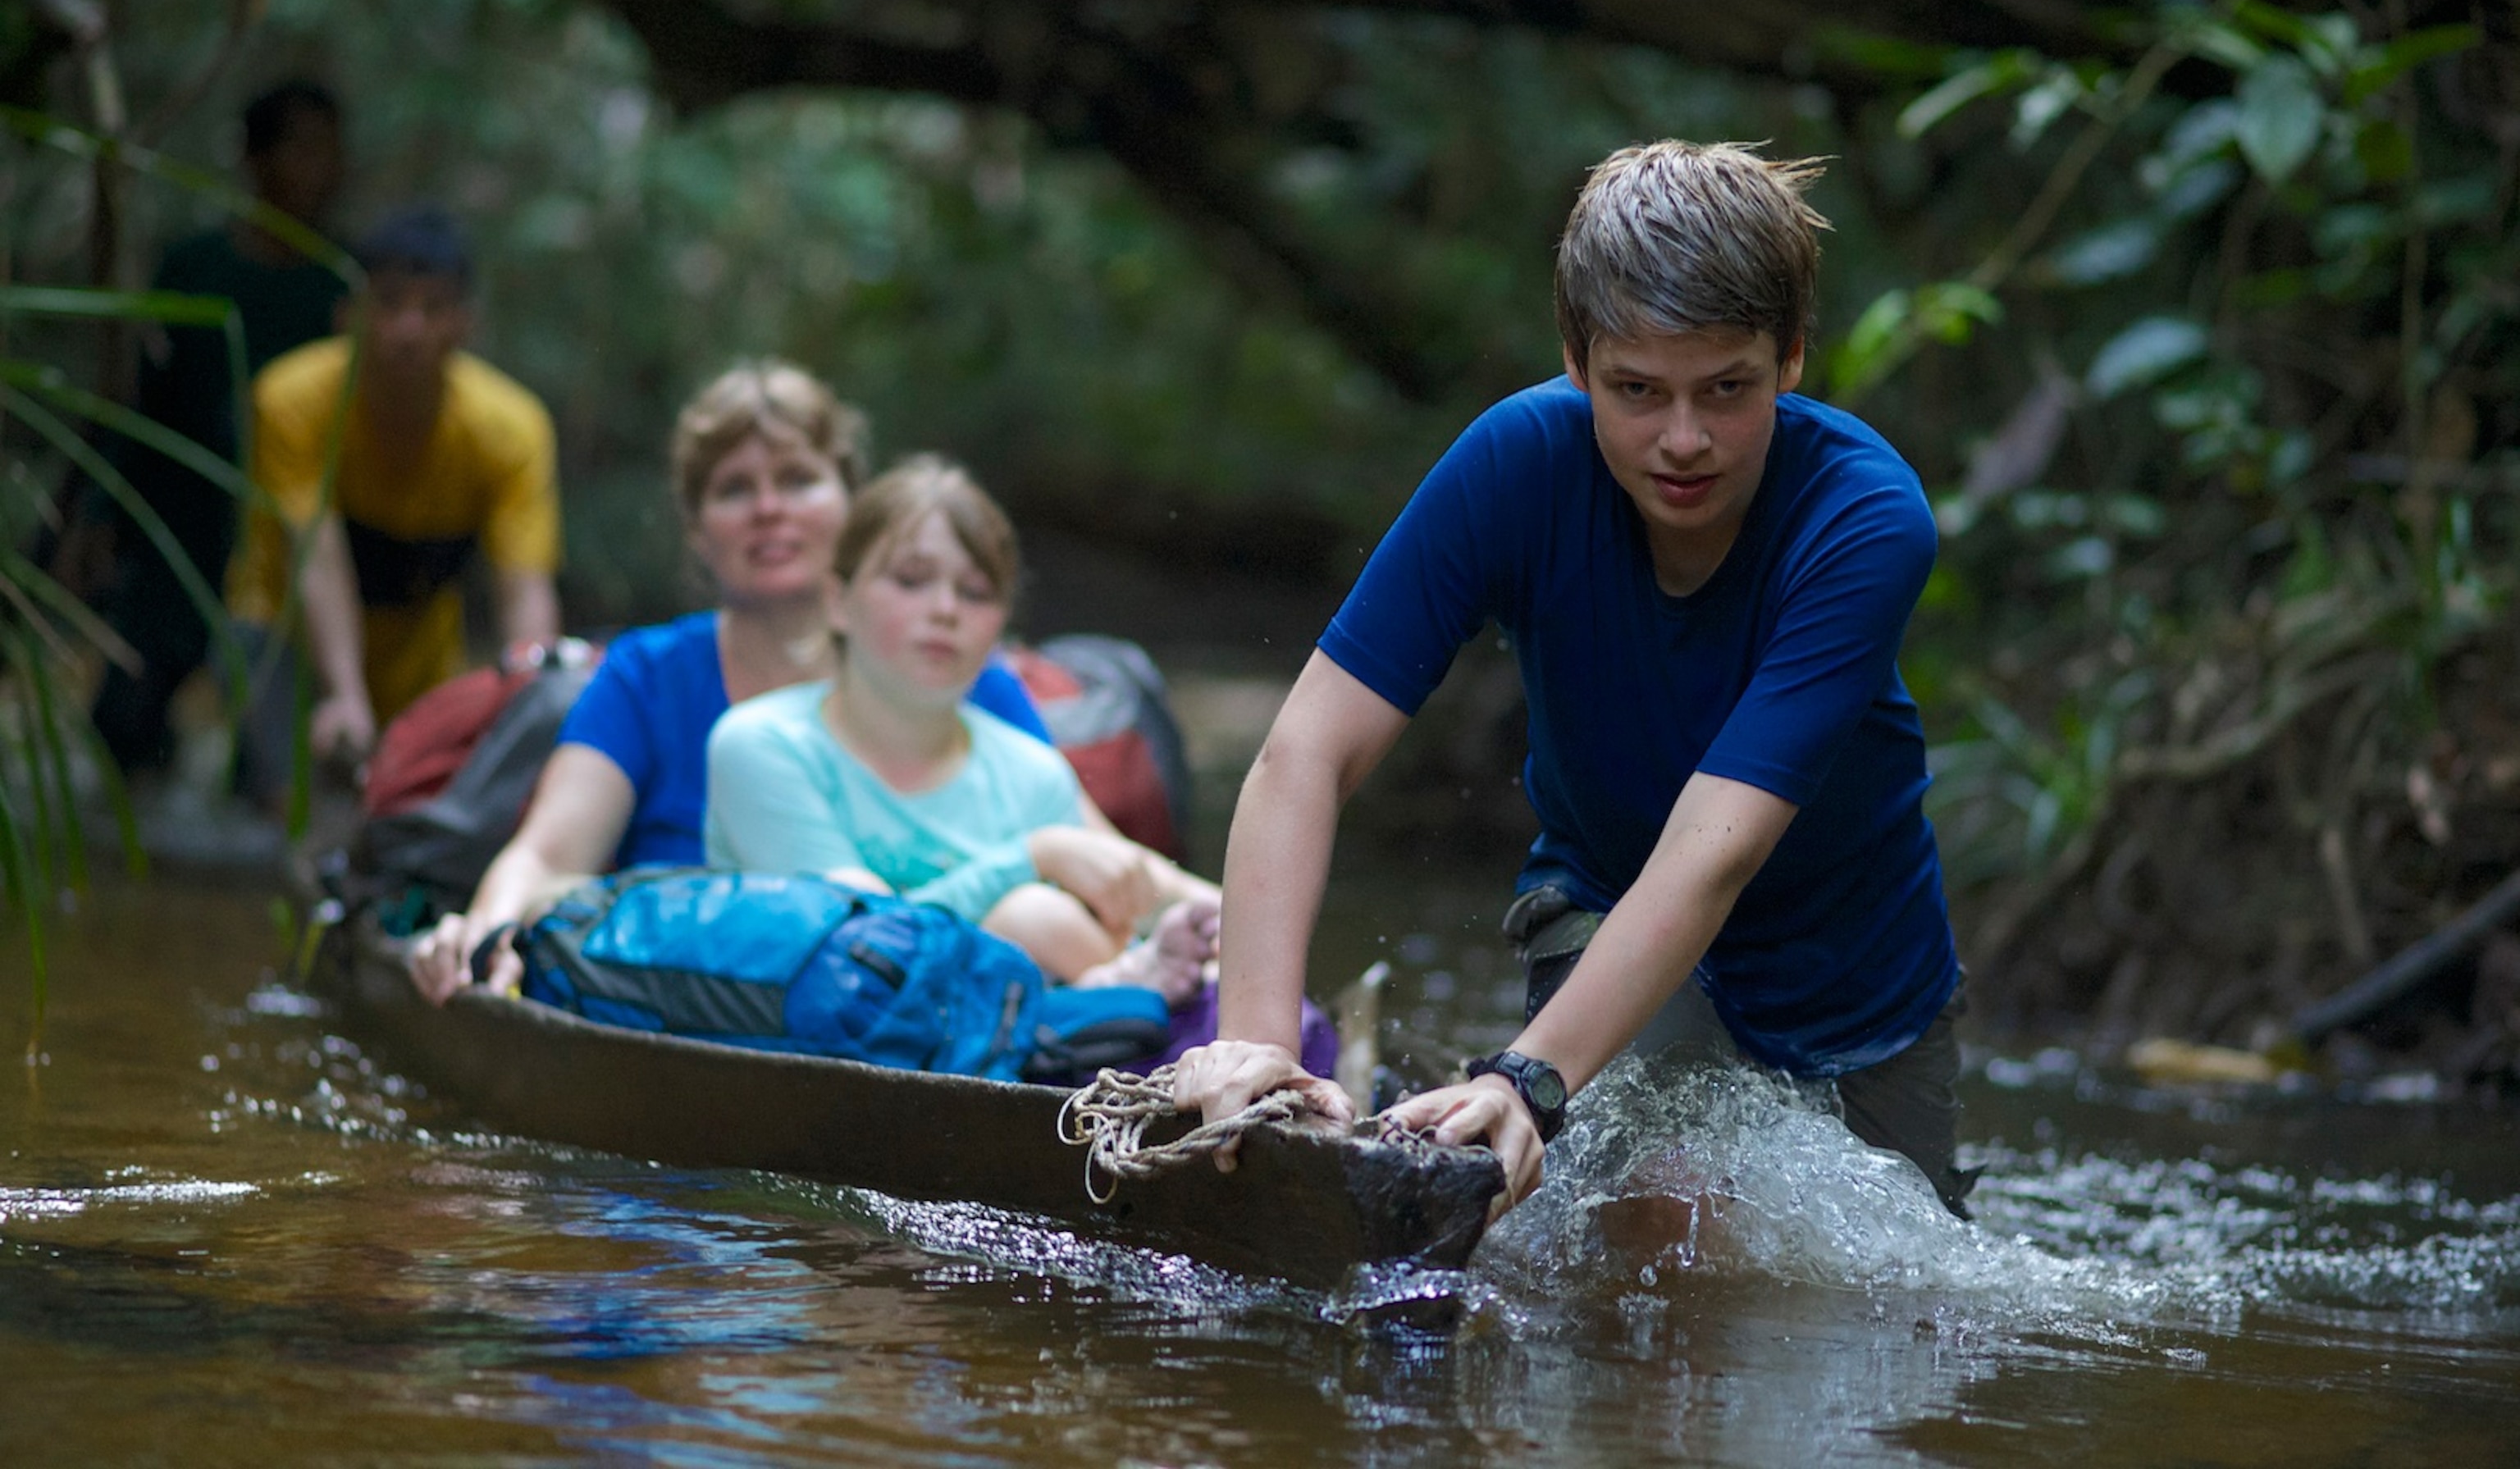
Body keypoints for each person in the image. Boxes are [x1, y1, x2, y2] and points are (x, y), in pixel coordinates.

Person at [1173, 140, 1970, 1222]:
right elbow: (1307, 750)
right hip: (1603, 908)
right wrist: (1255, 1048)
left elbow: (1712, 855)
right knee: (1656, 1218)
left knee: (1879, 1308)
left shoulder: (1864, 520)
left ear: (1790, 360)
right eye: (1636, 392)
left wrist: (1526, 1078)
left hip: (1866, 991)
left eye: (1725, 391)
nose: (1682, 440)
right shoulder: (1516, 466)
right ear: (1575, 360)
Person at [407, 364, 1056, 1004]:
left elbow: (1083, 849)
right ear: (697, 531)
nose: (770, 510)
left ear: (853, 506)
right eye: (735, 490)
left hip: (947, 997)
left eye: (799, 480)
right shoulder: (647, 677)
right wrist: (487, 930)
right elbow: (548, 856)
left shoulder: (953, 671)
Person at [703, 455, 1218, 1003]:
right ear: (837, 601)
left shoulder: (1031, 774)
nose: (945, 609)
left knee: (1051, 921)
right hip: (816, 1049)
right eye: (911, 580)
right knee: (1034, 916)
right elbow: (865, 940)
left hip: (1011, 1053)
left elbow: (1142, 889)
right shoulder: (760, 746)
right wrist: (1034, 857)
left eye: (974, 592)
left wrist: (1229, 926)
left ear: (1000, 624)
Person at [226, 204, 560, 804]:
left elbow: (523, 587)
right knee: (290, 806)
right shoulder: (292, 401)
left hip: (417, 652)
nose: (409, 329)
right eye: (388, 303)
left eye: (433, 308)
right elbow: (316, 557)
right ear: (346, 315)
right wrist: (344, 694)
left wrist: (534, 703)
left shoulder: (511, 430)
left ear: (464, 324)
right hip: (287, 638)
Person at [85, 79, 350, 775]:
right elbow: (140, 404)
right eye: (302, 148)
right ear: (256, 159)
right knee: (127, 721)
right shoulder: (196, 268)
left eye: (330, 151)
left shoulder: (340, 290)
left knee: (266, 754)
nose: (321, 168)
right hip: (179, 529)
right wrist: (101, 517)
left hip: (282, 541)